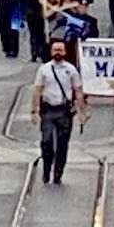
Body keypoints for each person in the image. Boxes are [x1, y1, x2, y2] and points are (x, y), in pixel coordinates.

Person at [35, 36, 86, 185]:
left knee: (63, 144)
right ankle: (46, 169)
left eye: (60, 49)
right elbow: (37, 90)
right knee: (46, 142)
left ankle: (58, 173)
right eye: (55, 49)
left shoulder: (71, 70)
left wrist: (82, 111)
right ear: (51, 52)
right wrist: (34, 110)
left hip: (64, 111)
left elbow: (78, 91)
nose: (58, 52)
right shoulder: (44, 70)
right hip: (48, 111)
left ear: (65, 52)